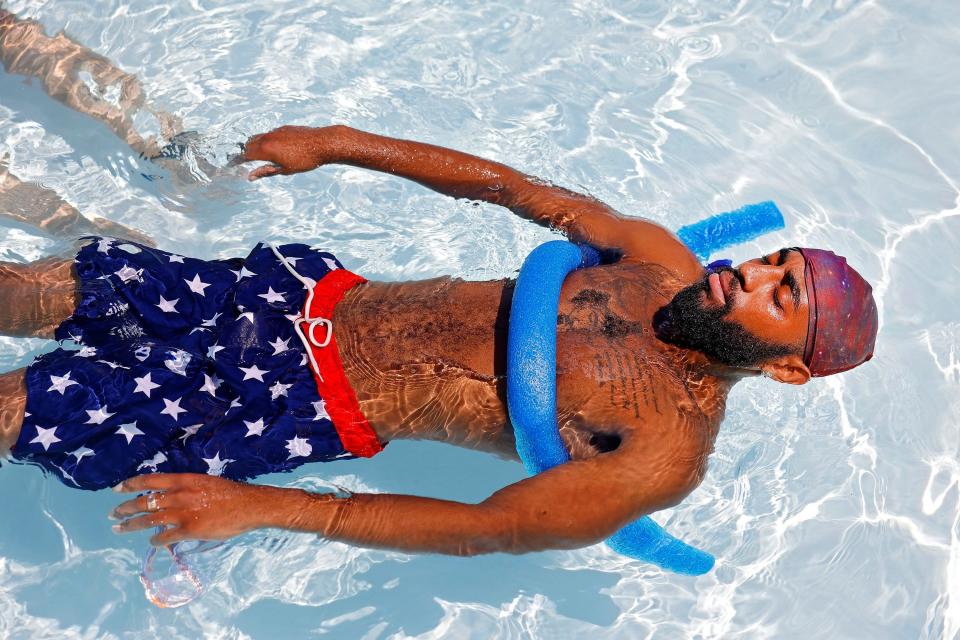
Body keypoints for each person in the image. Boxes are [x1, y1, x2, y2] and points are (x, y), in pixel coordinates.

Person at [0, 123, 878, 556]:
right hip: (300, 292)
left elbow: (486, 529)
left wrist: (265, 507)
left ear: (791, 367)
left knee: (14, 409)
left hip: (293, 401)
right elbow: (509, 188)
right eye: (772, 261)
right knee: (26, 291)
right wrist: (337, 143)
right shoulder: (654, 258)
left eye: (780, 292)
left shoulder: (662, 453)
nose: (748, 273)